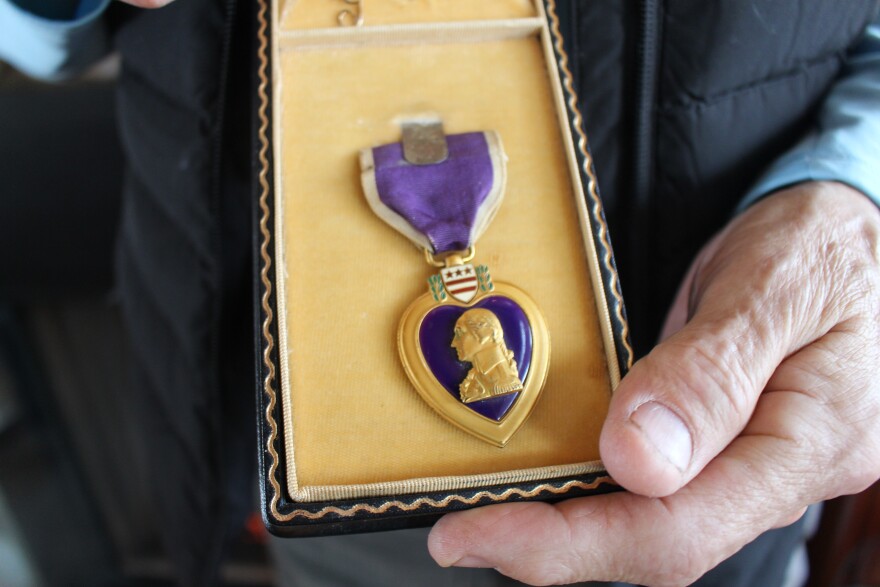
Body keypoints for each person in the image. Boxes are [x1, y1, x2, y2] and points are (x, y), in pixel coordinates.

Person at [2, 1, 879, 586]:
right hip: (330, 447)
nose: (464, 341)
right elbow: (55, 30)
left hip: (730, 409)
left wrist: (861, 183)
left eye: (465, 339)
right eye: (465, 339)